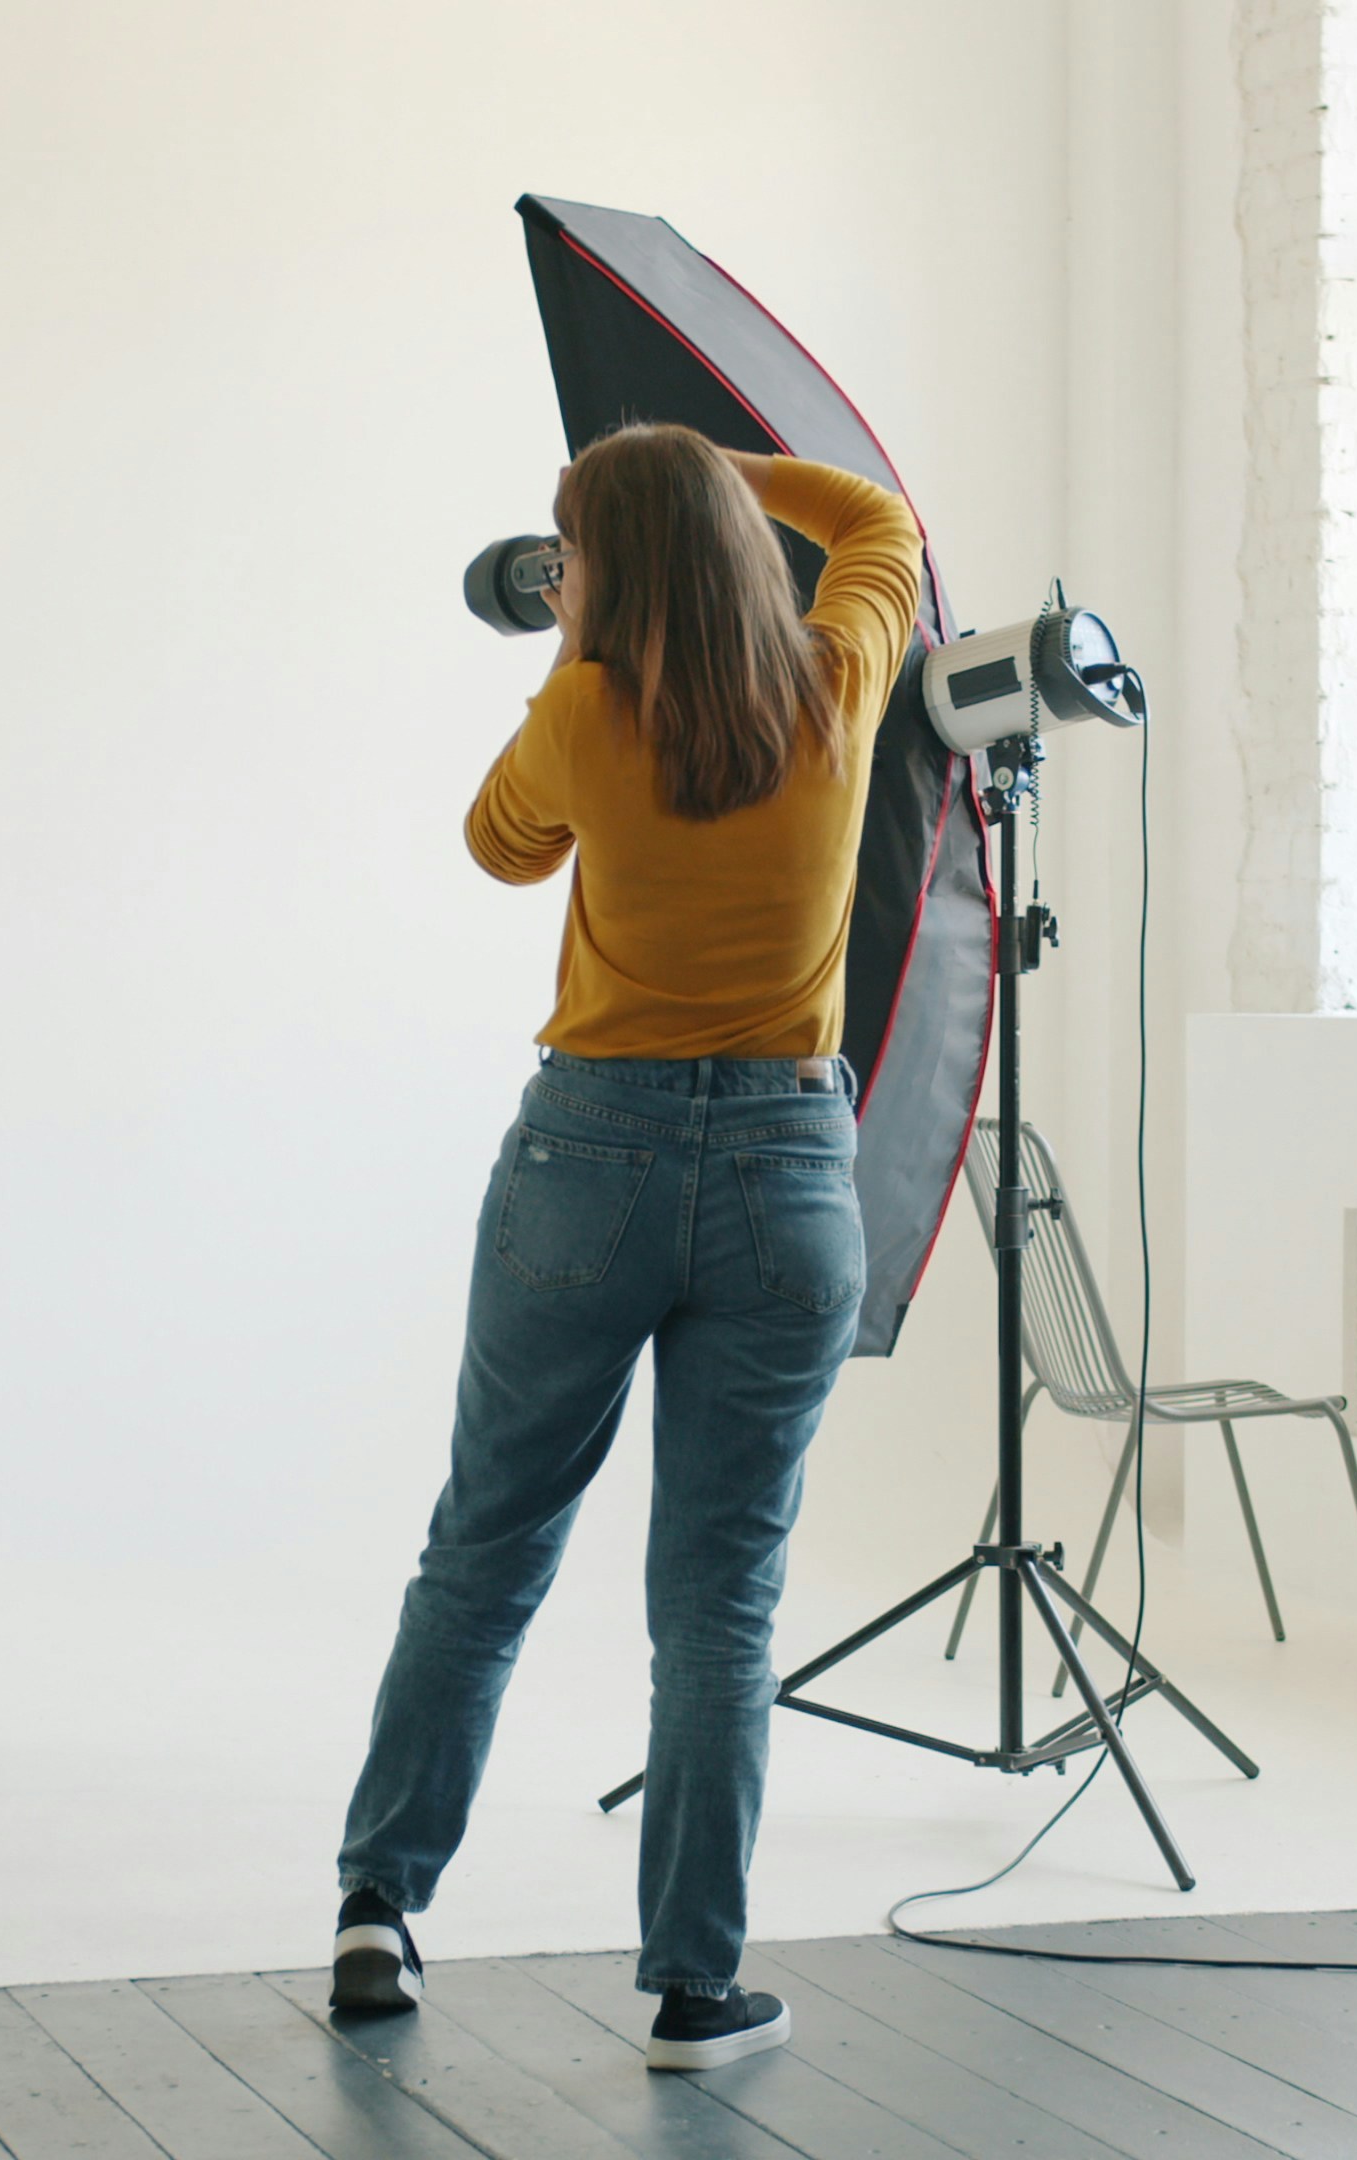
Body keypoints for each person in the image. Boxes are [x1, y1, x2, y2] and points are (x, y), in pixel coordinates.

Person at [329, 425, 924, 2071]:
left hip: (591, 1158)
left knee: (487, 1546)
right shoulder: (839, 682)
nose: (558, 576)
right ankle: (692, 1990)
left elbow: (496, 844)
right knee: (722, 1598)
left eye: (571, 551)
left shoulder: (585, 711)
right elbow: (882, 519)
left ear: (615, 571)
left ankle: (381, 1906)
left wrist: (582, 662)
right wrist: (729, 464)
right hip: (792, 1176)